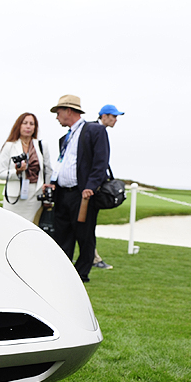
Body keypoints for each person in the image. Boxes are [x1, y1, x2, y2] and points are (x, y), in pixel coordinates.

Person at [49, 94, 109, 283]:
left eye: (58, 112)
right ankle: (63, 271)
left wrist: (91, 187)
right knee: (62, 235)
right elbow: (62, 163)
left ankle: (81, 274)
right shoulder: (64, 138)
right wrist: (53, 181)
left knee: (85, 235)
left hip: (83, 195)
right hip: (63, 194)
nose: (57, 117)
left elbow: (101, 162)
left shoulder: (95, 131)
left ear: (68, 111)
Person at [0, 112, 54, 223]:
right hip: (14, 197)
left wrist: (46, 193)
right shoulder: (9, 146)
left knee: (31, 228)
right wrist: (17, 172)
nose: (28, 126)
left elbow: (48, 170)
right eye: (25, 123)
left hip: (34, 196)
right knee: (11, 225)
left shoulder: (42, 146)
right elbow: (1, 173)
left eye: (32, 124)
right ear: (19, 125)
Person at [90, 104, 125, 270]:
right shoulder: (98, 130)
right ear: (104, 116)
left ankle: (93, 256)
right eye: (113, 116)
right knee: (88, 225)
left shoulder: (92, 128)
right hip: (90, 189)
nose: (116, 119)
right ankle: (93, 258)